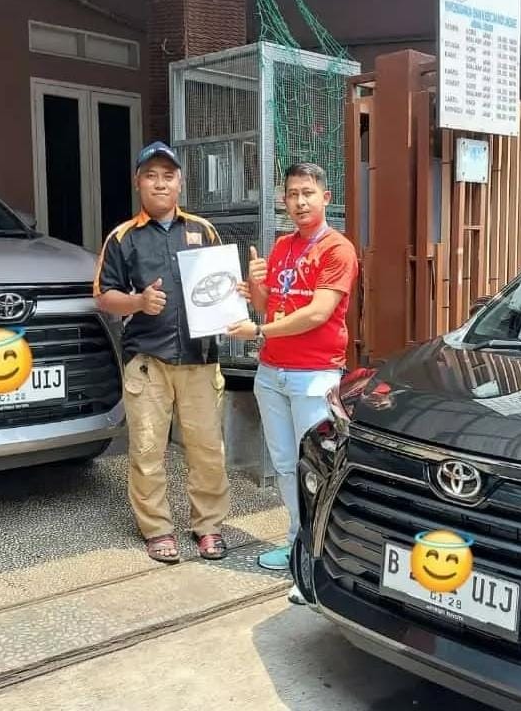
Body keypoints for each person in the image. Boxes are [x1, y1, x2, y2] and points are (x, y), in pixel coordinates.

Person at [226, 162, 359, 601]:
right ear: (283, 201)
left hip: (314, 376)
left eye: (308, 193)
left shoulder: (338, 249)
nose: (300, 202)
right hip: (272, 373)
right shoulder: (283, 246)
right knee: (286, 466)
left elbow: (318, 313)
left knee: (316, 470)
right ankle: (296, 543)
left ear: (325, 197)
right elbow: (269, 306)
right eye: (292, 194)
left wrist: (258, 331)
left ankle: (318, 564)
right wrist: (254, 287)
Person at [94, 141, 230, 563]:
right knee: (148, 450)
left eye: (167, 176)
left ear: (180, 182)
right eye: (150, 176)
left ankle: (208, 526)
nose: (159, 183)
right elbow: (103, 296)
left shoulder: (204, 231)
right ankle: (157, 529)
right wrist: (137, 302)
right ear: (138, 183)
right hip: (148, 362)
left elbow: (222, 287)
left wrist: (237, 299)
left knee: (207, 449)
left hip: (199, 359)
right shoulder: (123, 238)